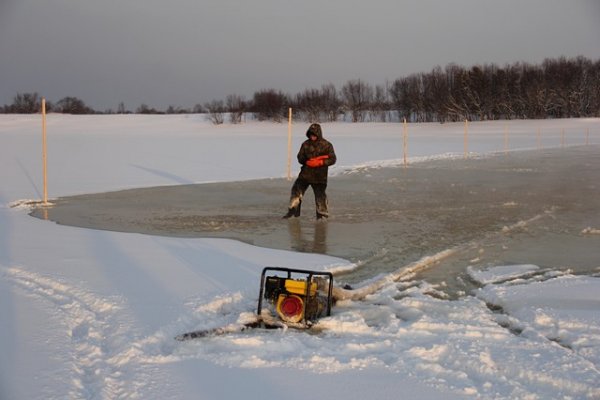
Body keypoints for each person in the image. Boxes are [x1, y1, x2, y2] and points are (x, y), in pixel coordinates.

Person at [283, 123, 336, 220]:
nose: (312, 136)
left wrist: (320, 162)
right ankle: (293, 212)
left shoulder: (327, 145)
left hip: (320, 177)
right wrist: (307, 161)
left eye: (314, 134)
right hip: (305, 175)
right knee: (296, 191)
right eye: (311, 134)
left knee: (320, 196)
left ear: (319, 134)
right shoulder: (305, 144)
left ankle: (322, 215)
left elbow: (333, 159)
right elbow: (300, 157)